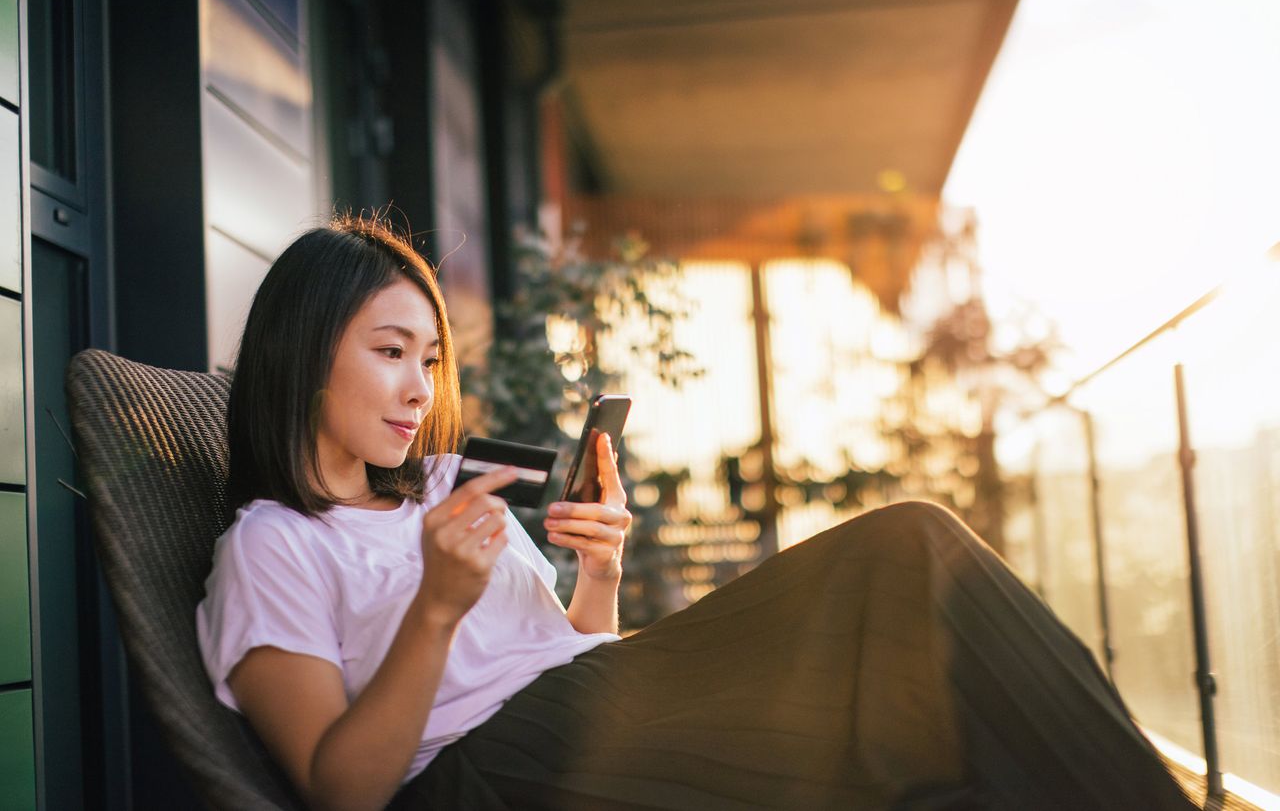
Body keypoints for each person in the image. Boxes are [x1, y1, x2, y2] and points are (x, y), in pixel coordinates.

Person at [197, 215, 1196, 811]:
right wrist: (432, 610)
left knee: (927, 713)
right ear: (305, 348)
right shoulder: (271, 545)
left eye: (428, 357)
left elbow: (563, 653)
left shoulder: (442, 485)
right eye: (386, 350)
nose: (418, 387)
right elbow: (342, 791)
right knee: (909, 550)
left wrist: (599, 578)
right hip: (491, 776)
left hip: (592, 713)